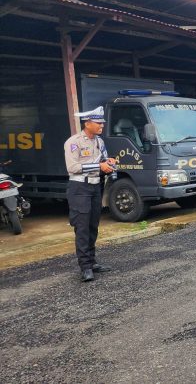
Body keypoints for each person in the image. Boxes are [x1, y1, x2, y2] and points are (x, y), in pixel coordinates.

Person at [64, 106, 117, 282]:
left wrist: (108, 163)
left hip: (95, 187)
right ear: (87, 124)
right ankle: (85, 267)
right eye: (98, 122)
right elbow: (72, 168)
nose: (102, 125)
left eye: (102, 122)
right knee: (82, 228)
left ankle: (92, 262)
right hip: (79, 189)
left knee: (93, 225)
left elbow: (102, 160)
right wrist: (98, 166)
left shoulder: (99, 142)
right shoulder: (74, 142)